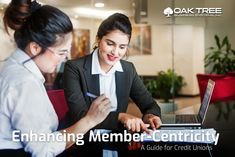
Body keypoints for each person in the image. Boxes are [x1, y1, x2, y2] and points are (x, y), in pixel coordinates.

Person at [0, 0, 111, 157]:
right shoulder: (25, 84)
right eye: (61, 52)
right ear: (35, 47)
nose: (65, 59)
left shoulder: (13, 68)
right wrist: (90, 120)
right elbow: (43, 150)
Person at [63, 13, 162, 155]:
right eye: (110, 44)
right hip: (85, 144)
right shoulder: (74, 68)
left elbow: (150, 105)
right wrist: (121, 117)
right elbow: (80, 115)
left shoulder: (128, 69)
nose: (115, 52)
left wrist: (151, 116)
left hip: (118, 142)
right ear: (98, 39)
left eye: (122, 47)